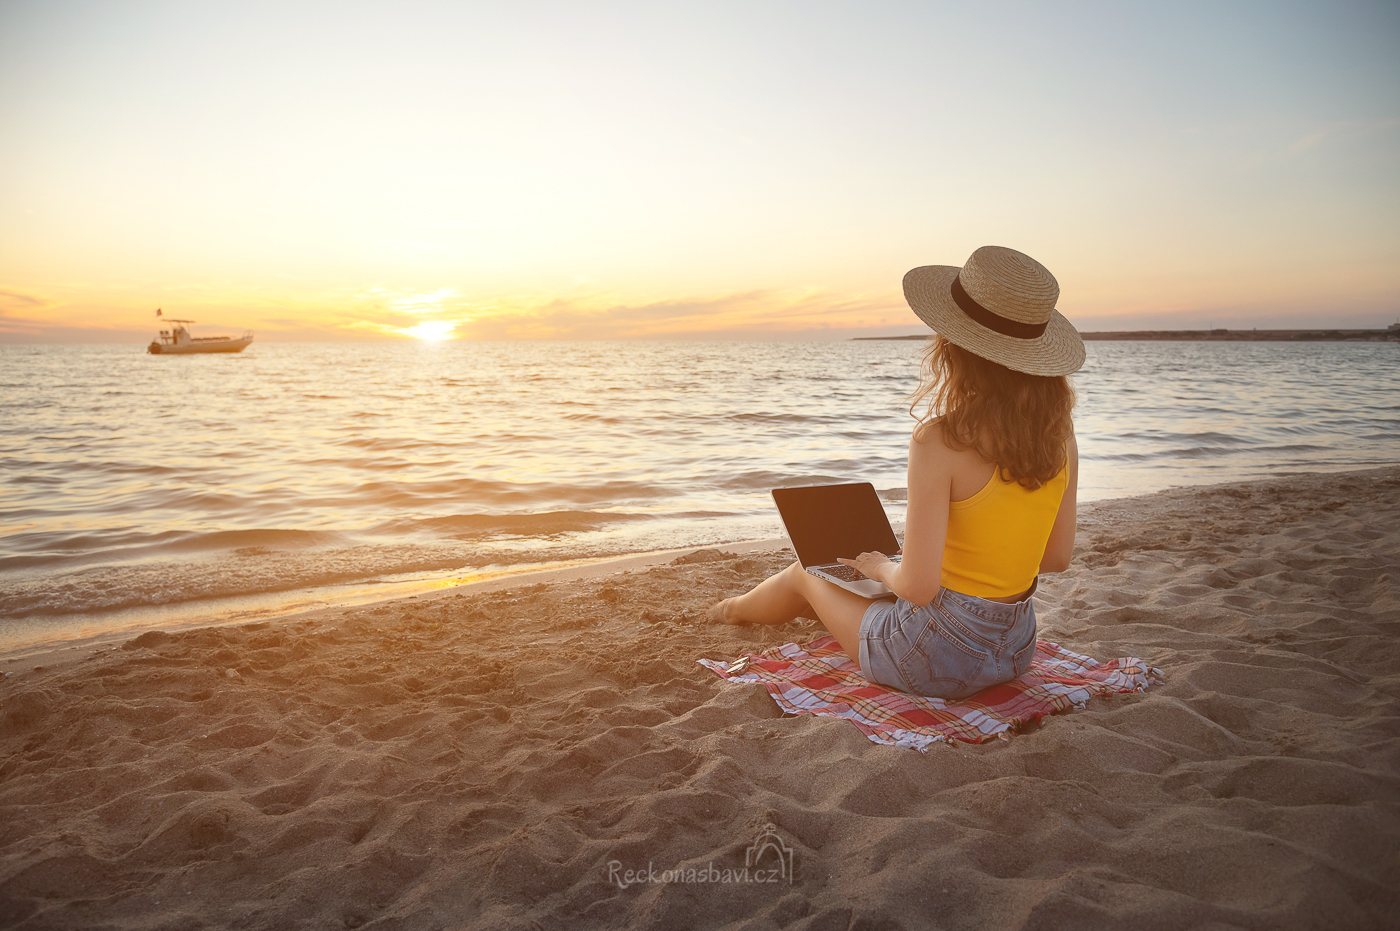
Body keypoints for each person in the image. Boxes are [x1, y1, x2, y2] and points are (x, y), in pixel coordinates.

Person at [707, 245, 1085, 699]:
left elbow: (919, 589)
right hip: (1014, 652)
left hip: (930, 659)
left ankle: (731, 611)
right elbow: (1055, 558)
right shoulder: (1060, 436)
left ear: (953, 348)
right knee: (863, 586)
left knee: (806, 573)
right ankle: (796, 604)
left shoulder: (941, 440)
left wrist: (883, 567)